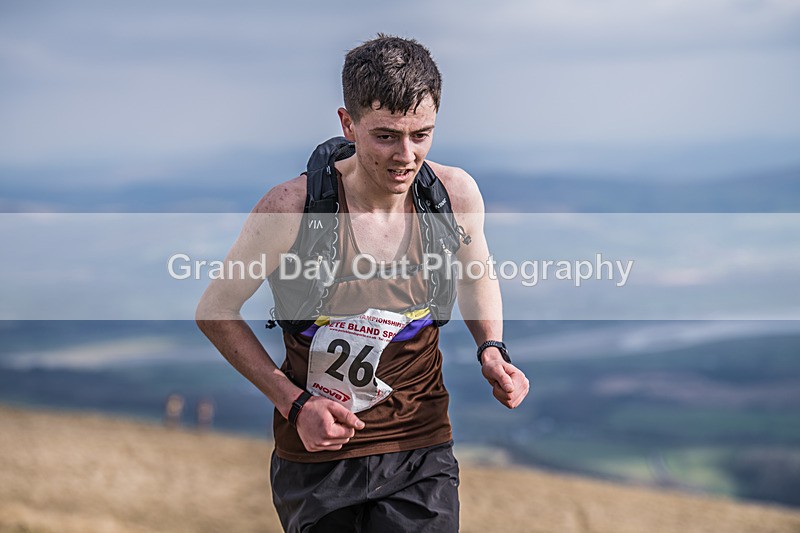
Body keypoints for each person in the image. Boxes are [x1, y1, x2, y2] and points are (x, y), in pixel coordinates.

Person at [196, 34, 530, 533]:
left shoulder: (453, 195)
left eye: (422, 134)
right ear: (347, 124)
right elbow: (216, 310)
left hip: (420, 447)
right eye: (387, 135)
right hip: (317, 455)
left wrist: (492, 347)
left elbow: (476, 273)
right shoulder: (291, 209)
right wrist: (295, 403)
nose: (406, 155)